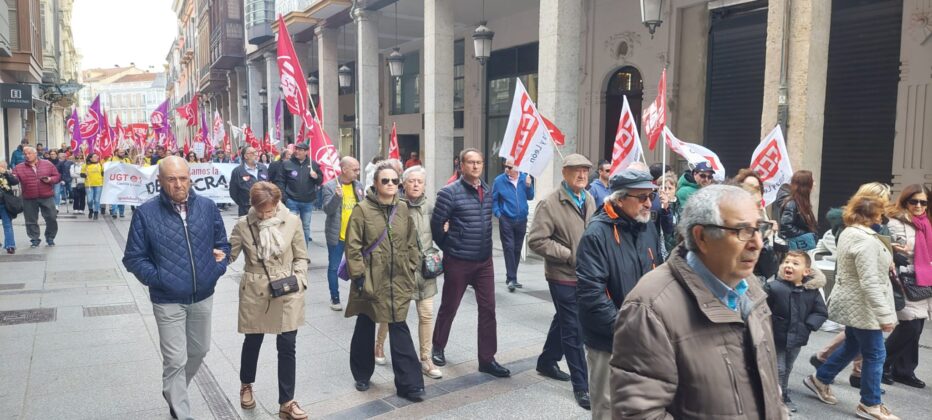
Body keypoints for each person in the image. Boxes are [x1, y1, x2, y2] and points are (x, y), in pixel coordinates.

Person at [610, 185, 785, 419]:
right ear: (701, 237)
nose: (757, 243)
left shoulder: (750, 285)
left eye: (759, 229)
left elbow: (770, 388)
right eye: (742, 231)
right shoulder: (650, 308)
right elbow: (638, 413)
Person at [122, 156, 230, 420]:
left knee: (199, 350)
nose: (179, 184)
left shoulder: (207, 207)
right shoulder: (146, 213)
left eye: (183, 178)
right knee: (175, 360)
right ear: (160, 181)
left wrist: (216, 269)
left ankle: (173, 389)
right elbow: (133, 258)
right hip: (167, 300)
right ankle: (181, 412)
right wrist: (160, 279)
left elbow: (223, 245)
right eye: (171, 179)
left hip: (203, 295)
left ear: (190, 178)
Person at [575, 167, 664, 417]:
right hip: (608, 340)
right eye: (642, 197)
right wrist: (628, 330)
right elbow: (592, 296)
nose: (649, 203)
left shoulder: (646, 227)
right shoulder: (596, 234)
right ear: (620, 199)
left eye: (651, 196)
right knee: (607, 407)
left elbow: (657, 274)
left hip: (645, 336)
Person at [803, 194, 900, 420]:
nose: (883, 217)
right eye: (881, 212)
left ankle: (820, 379)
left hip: (854, 302)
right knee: (875, 353)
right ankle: (870, 403)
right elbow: (869, 280)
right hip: (864, 305)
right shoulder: (865, 239)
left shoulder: (850, 232)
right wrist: (885, 315)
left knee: (852, 346)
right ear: (873, 214)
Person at [344, 161, 425, 402]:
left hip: (399, 278)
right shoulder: (362, 210)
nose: (390, 184)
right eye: (385, 181)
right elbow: (353, 246)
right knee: (366, 325)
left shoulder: (402, 208)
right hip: (370, 279)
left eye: (394, 180)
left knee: (399, 327)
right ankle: (361, 374)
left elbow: (412, 242)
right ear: (376, 184)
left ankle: (410, 385)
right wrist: (359, 276)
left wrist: (411, 266)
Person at [228, 182, 309, 420]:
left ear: (277, 204)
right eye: (260, 210)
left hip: (286, 288)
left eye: (269, 210)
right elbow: (229, 254)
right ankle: (246, 385)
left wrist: (300, 279)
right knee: (253, 340)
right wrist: (215, 254)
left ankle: (287, 401)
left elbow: (301, 255)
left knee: (287, 346)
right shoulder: (244, 225)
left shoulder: (292, 221)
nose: (265, 215)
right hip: (256, 289)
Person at [430, 148, 510, 378]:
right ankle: (438, 346)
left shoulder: (487, 190)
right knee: (449, 306)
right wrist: (451, 246)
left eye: (479, 162)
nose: (475, 166)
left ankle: (487, 359)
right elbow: (437, 226)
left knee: (488, 309)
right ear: (461, 165)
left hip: (484, 261)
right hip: (458, 261)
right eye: (471, 162)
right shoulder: (449, 193)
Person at [527, 154, 595, 410]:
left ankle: (546, 361)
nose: (582, 175)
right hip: (562, 274)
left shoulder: (588, 198)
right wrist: (569, 255)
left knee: (564, 319)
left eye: (586, 171)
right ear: (564, 173)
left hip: (585, 274)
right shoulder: (549, 203)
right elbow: (536, 240)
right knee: (574, 328)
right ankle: (582, 385)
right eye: (577, 171)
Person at [373, 165, 444, 379]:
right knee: (392, 314)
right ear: (403, 184)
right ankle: (378, 345)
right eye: (411, 181)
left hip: (425, 271)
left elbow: (437, 234)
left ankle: (425, 359)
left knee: (426, 314)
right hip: (401, 270)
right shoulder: (395, 206)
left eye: (419, 182)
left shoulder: (430, 207)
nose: (415, 185)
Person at [764, 251, 828, 412]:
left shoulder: (811, 292)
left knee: (788, 366)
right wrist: (768, 324)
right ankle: (780, 398)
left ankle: (781, 390)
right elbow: (762, 309)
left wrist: (807, 326)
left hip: (797, 338)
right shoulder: (774, 287)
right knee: (779, 368)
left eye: (795, 263)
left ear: (806, 271)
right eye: (786, 262)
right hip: (776, 336)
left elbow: (820, 312)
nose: (789, 266)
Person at [883, 184, 931, 389]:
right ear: (905, 201)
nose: (919, 205)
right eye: (914, 201)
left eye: (923, 202)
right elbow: (883, 247)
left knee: (917, 326)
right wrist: (895, 252)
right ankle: (879, 364)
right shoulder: (895, 223)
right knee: (909, 325)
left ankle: (904, 370)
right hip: (904, 278)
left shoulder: (927, 223)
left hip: (924, 279)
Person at [320, 157, 363, 311]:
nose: (358, 173)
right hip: (337, 236)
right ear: (344, 170)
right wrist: (337, 197)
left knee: (358, 267)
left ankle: (359, 297)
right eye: (355, 169)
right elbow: (327, 210)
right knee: (334, 267)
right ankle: (335, 298)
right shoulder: (330, 187)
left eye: (358, 169)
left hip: (356, 236)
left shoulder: (358, 185)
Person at [492, 158, 535, 291]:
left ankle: (512, 277)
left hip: (521, 219)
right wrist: (499, 214)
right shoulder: (499, 181)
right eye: (506, 166)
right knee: (509, 248)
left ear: (518, 167)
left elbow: (530, 197)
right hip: (506, 219)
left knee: (517, 249)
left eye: (510, 167)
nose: (507, 169)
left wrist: (529, 186)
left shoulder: (524, 179)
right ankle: (511, 278)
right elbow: (493, 200)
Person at [11, 147, 60, 247]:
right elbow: (14, 180)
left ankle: (50, 237)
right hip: (29, 197)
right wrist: (8, 176)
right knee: (30, 220)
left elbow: (57, 176)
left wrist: (50, 179)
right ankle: (34, 238)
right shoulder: (19, 167)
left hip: (46, 195)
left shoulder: (47, 164)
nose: (27, 156)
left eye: (29, 153)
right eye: (25, 154)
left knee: (51, 217)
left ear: (35, 154)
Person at [275, 143, 322, 246]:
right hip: (292, 200)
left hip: (308, 201)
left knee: (305, 227)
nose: (297, 151)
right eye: (296, 149)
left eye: (301, 150)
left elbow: (320, 181)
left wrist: (316, 177)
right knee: (291, 226)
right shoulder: (287, 164)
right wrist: (284, 197)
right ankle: (291, 252)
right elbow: (280, 181)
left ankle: (303, 253)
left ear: (306, 152)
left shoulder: (313, 164)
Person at [780, 170, 819, 251]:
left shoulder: (802, 203)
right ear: (806, 185)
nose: (815, 184)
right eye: (812, 181)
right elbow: (786, 226)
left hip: (803, 247)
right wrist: (806, 234)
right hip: (796, 249)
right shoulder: (792, 203)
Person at [229, 147, 270, 217]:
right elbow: (233, 192)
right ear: (245, 156)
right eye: (253, 153)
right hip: (246, 210)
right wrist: (243, 203)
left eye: (256, 152)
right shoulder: (237, 171)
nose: (256, 155)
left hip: (264, 208)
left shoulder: (263, 168)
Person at [0, 161, 20, 254]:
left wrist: (7, 173)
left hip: (5, 202)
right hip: (4, 201)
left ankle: (10, 245)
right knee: (7, 225)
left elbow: (15, 181)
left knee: (7, 224)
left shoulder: (7, 174)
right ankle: (10, 245)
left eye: (4, 166)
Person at [82, 153, 105, 220]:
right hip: (89, 185)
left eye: (96, 156)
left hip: (98, 184)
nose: (96, 157)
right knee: (89, 200)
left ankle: (96, 212)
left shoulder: (100, 164)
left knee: (97, 200)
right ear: (90, 158)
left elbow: (103, 173)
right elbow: (81, 174)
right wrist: (84, 174)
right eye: (94, 156)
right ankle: (90, 209)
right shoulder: (85, 165)